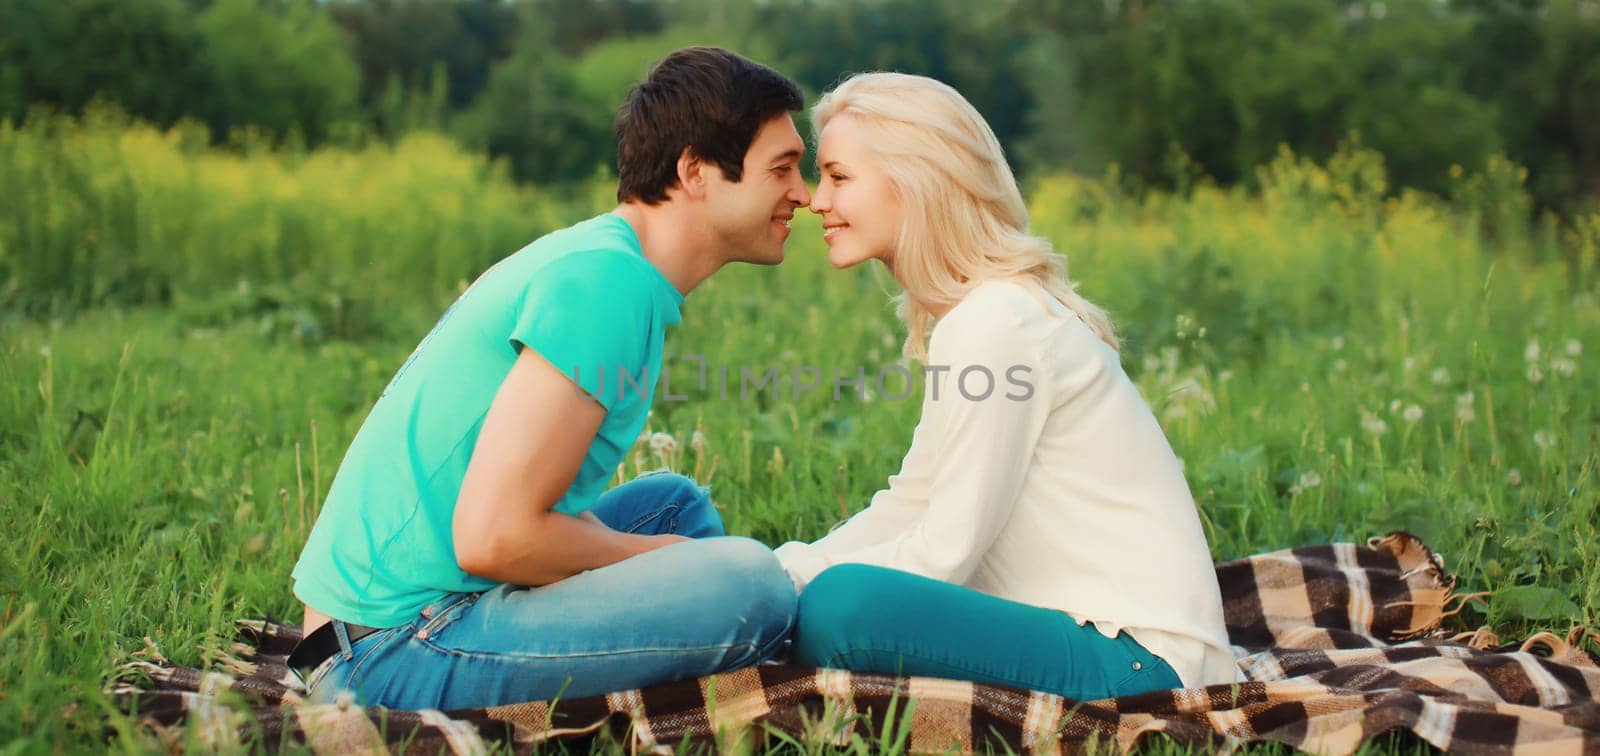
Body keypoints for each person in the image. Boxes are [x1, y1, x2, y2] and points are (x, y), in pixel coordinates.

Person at [287, 47, 812, 711]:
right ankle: (721, 665)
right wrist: (670, 558)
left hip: (414, 609)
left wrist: (665, 549)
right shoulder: (606, 284)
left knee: (672, 505)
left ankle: (704, 659)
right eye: (783, 168)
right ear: (696, 171)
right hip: (392, 649)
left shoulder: (612, 262)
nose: (803, 193)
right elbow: (494, 538)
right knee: (753, 588)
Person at [773, 72, 1241, 699]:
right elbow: (912, 501)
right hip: (1096, 637)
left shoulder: (995, 322)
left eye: (838, 176)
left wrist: (791, 595)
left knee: (843, 608)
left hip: (1142, 662)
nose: (815, 200)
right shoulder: (985, 314)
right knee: (830, 596)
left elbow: (945, 555)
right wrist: (778, 572)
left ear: (917, 180)